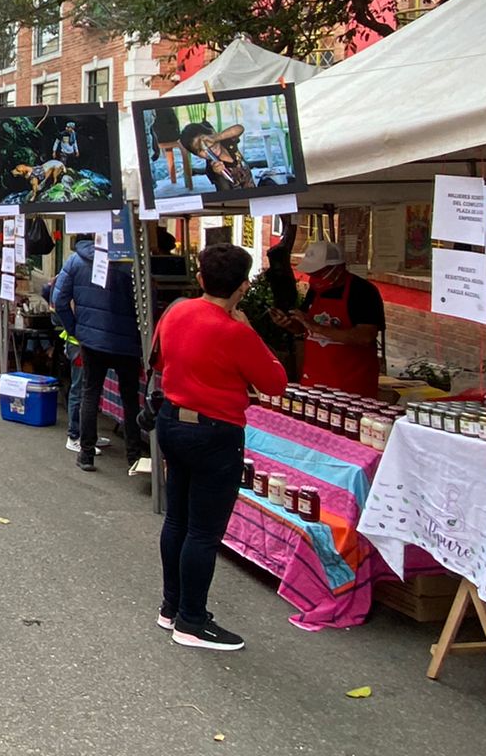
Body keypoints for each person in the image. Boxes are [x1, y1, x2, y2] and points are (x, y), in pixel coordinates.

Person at [154, 243, 289, 651]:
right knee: (203, 531)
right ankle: (191, 621)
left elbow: (160, 360)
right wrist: (246, 328)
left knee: (177, 519)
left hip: (173, 420)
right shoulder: (235, 332)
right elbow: (275, 383)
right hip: (215, 432)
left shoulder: (177, 311)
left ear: (200, 279)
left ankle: (171, 606)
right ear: (243, 287)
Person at [52, 234, 145, 472]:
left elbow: (58, 299)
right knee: (130, 400)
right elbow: (146, 302)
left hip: (91, 341)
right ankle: (134, 456)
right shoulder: (130, 258)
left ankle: (86, 454)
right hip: (128, 342)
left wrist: (75, 330)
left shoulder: (74, 261)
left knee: (90, 393)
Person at [272, 240, 384, 396]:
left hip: (351, 386)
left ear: (337, 268)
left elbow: (365, 336)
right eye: (311, 273)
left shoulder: (363, 292)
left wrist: (317, 327)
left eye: (318, 273)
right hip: (314, 380)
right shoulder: (316, 290)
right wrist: (289, 324)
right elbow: (304, 326)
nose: (313, 277)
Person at [46, 272, 109, 456]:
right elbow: (60, 305)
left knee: (89, 390)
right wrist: (74, 331)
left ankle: (88, 434)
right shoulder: (75, 281)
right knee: (80, 389)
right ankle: (74, 436)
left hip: (85, 341)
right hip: (78, 343)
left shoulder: (82, 278)